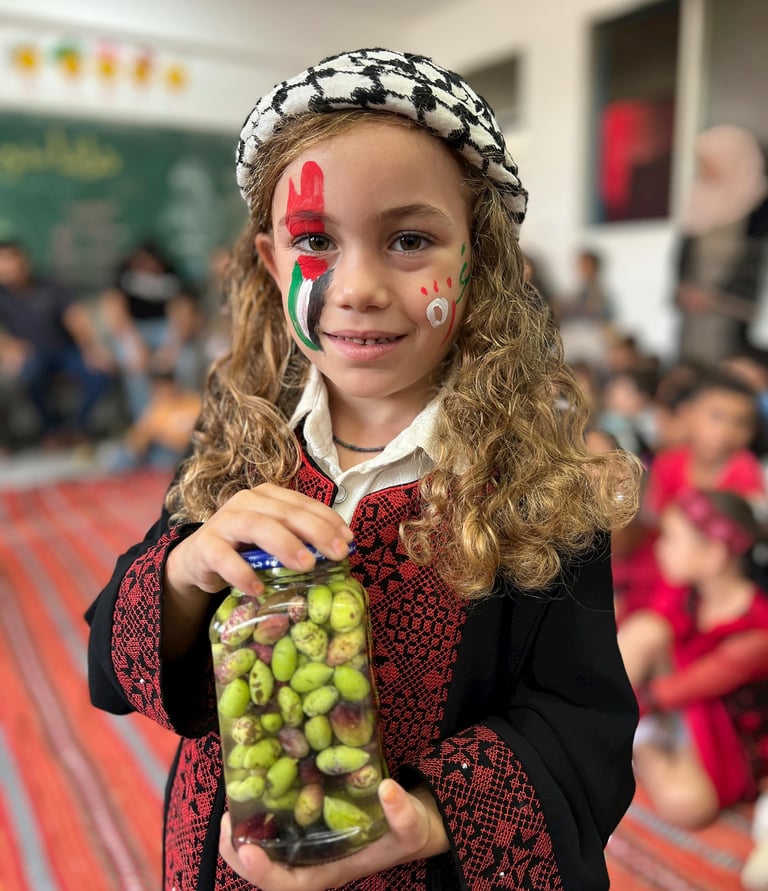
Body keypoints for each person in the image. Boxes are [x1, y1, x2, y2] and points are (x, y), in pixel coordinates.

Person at [85, 48, 642, 891]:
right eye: (316, 241)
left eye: (409, 240)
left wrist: (428, 818)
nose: (359, 288)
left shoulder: (542, 492)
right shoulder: (239, 446)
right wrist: (187, 570)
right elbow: (113, 660)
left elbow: (582, 729)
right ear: (272, 260)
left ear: (479, 259)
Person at [617, 489, 768, 828]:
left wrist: (622, 711)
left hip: (719, 736)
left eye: (671, 539)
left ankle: (636, 742)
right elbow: (646, 632)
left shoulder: (757, 631)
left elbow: (678, 691)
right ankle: (615, 731)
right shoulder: (685, 590)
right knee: (645, 630)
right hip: (670, 705)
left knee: (687, 806)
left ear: (713, 554)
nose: (660, 548)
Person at [612, 368, 767, 620]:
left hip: (707, 584)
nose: (726, 431)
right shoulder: (668, 463)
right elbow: (652, 525)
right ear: (689, 415)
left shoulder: (745, 470)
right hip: (663, 568)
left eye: (740, 423)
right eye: (716, 417)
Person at [0, 239, 114, 446]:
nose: (7, 268)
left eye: (11, 260)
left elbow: (75, 317)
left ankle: (77, 427)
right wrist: (9, 346)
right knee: (30, 375)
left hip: (66, 350)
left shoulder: (51, 286)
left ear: (23, 261)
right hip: (32, 354)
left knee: (99, 373)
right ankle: (51, 430)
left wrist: (91, 349)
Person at [674, 125, 768, 366]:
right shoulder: (698, 199)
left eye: (709, 161)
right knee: (692, 366)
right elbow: (685, 253)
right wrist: (684, 288)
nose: (703, 168)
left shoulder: (758, 206)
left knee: (729, 369)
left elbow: (756, 263)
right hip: (694, 311)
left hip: (733, 313)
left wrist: (717, 296)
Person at [100, 241, 200, 420]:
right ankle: (144, 419)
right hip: (134, 329)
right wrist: (135, 346)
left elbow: (183, 312)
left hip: (165, 328)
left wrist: (171, 348)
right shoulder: (124, 273)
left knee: (185, 360)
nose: (147, 266)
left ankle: (185, 415)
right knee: (133, 363)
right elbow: (115, 311)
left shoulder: (171, 273)